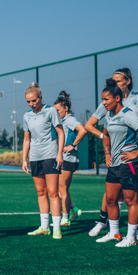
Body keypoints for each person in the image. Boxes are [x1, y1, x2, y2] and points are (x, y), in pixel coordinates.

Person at [84, 68, 138, 240]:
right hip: (119, 155)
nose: (115, 83)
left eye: (118, 80)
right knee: (112, 193)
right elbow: (92, 126)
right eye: (113, 80)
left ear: (128, 81)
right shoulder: (109, 102)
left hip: (137, 153)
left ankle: (136, 229)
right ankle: (105, 223)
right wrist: (106, 142)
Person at [96, 78, 138, 247]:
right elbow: (105, 135)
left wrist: (136, 152)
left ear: (117, 98)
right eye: (103, 99)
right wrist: (107, 154)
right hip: (114, 165)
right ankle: (114, 233)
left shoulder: (128, 115)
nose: (104, 103)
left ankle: (131, 238)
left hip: (129, 165)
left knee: (130, 201)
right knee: (111, 200)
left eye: (106, 99)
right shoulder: (108, 116)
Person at [21, 82, 65, 239]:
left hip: (50, 156)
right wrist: (24, 159)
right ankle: (44, 227)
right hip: (35, 158)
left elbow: (60, 133)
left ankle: (57, 228)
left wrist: (59, 154)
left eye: (34, 100)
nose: (32, 104)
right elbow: (27, 139)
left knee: (53, 192)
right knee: (41, 192)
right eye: (28, 101)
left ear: (40, 97)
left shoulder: (51, 111)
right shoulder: (27, 116)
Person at [53, 91, 87, 227]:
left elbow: (83, 130)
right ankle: (74, 209)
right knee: (58, 189)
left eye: (58, 110)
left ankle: (65, 218)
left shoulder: (70, 119)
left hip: (69, 159)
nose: (56, 113)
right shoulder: (62, 120)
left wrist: (72, 145)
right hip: (62, 158)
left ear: (65, 108)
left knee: (63, 189)